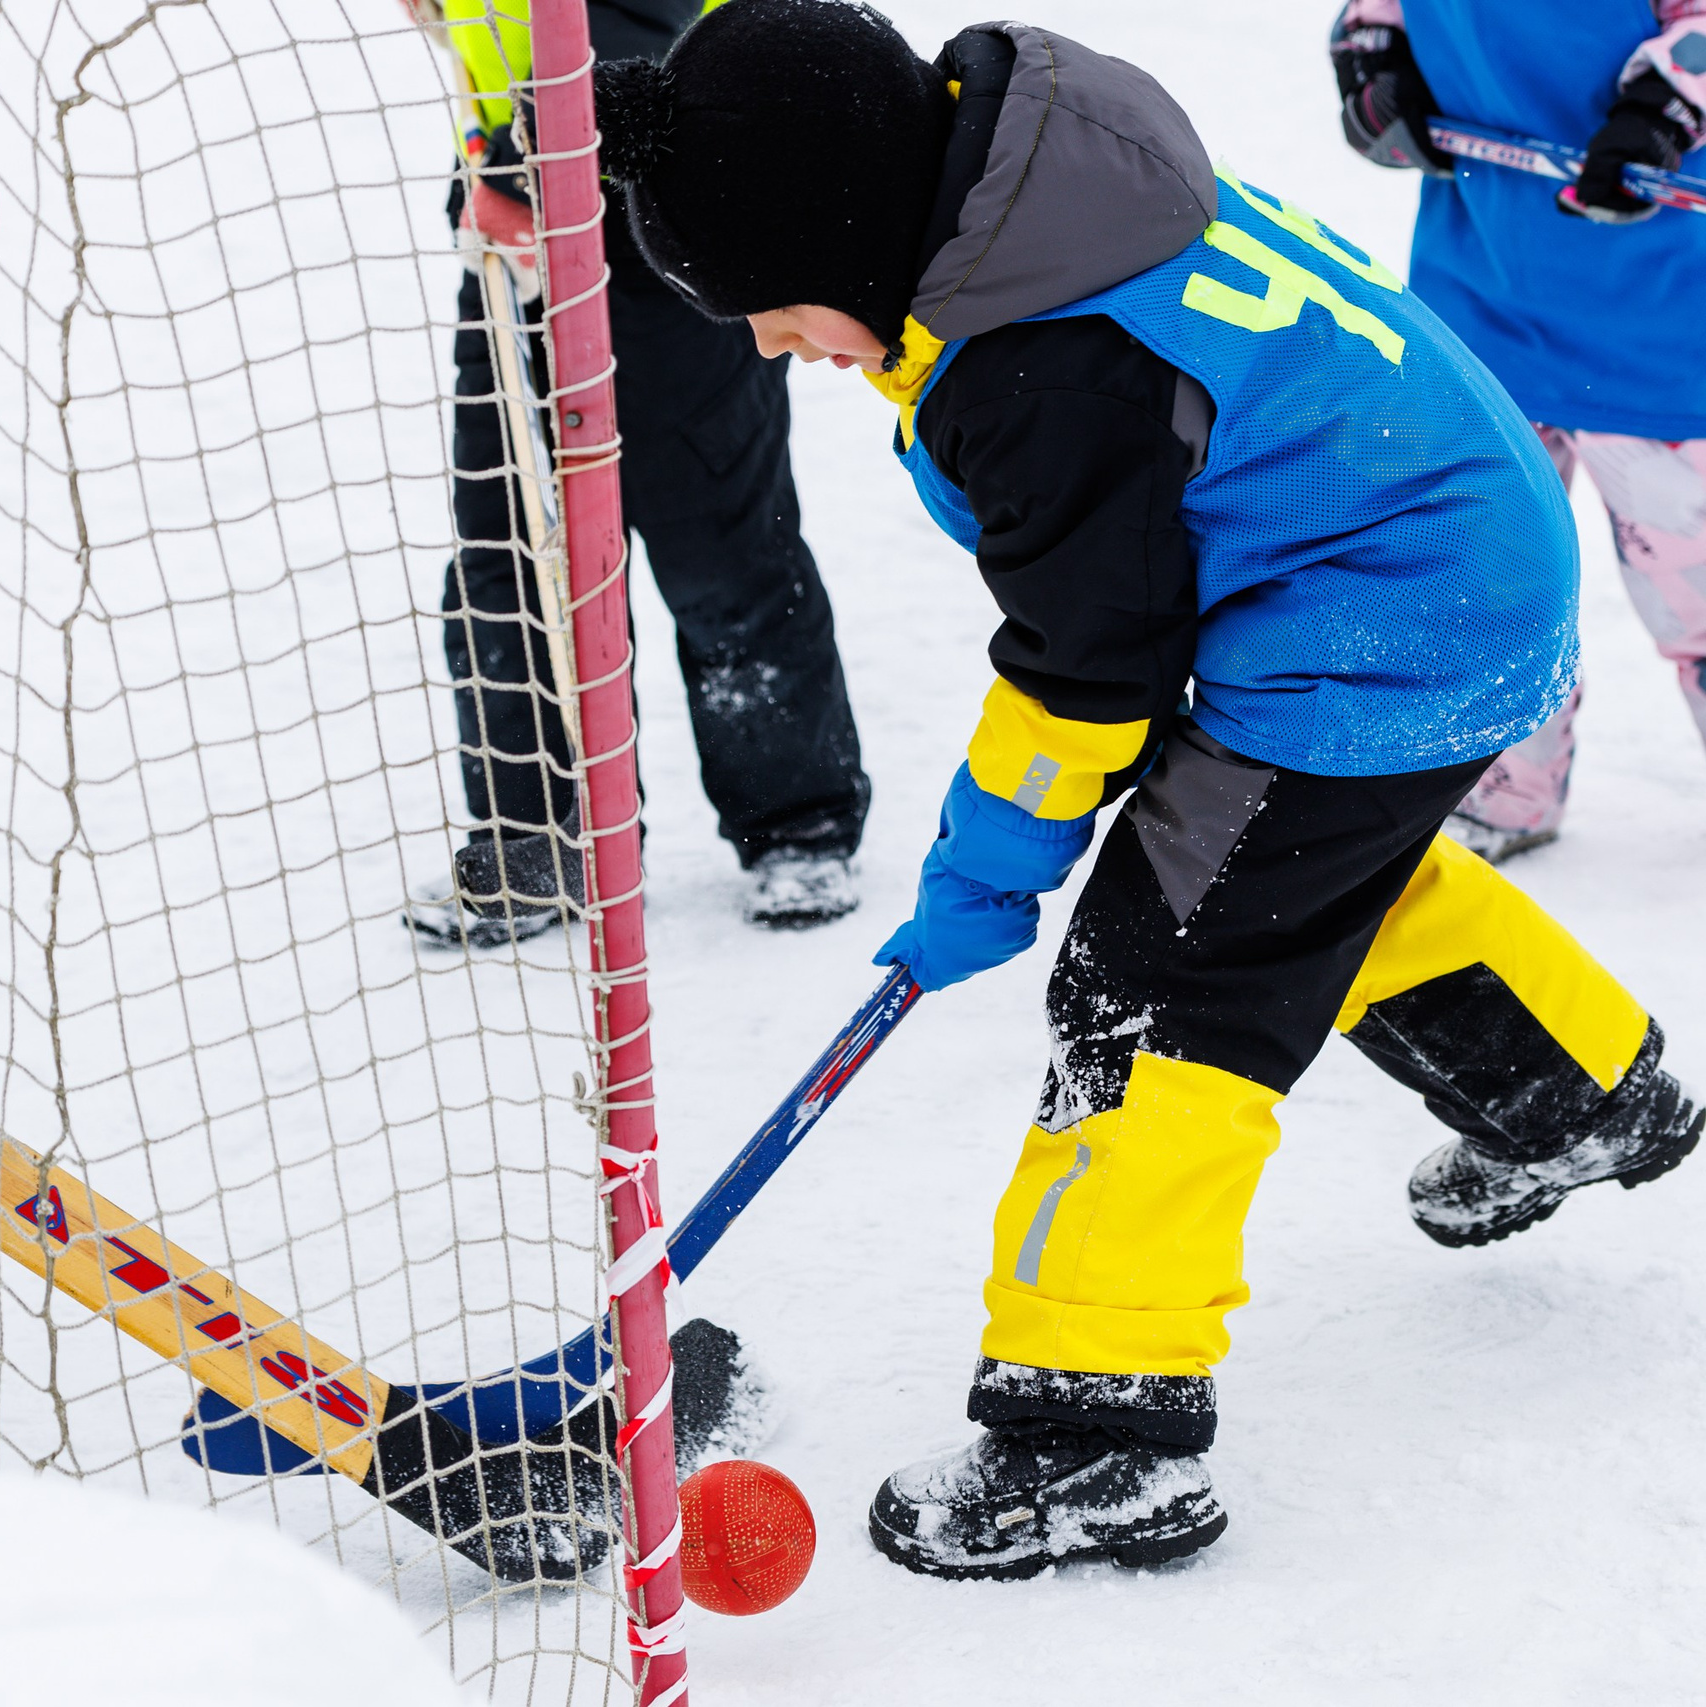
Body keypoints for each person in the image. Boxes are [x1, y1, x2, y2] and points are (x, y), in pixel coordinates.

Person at [592, 2, 1700, 1578]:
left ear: (842, 235)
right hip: (1449, 563)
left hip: (1377, 624)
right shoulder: (1036, 189)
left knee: (1158, 989)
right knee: (1308, 881)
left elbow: (1088, 671)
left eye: (770, 309)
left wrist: (987, 868)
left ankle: (1093, 1428)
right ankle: (1580, 1091)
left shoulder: (1045, 366)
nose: (774, 347)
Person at [404, 0, 871, 947]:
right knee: (509, 550)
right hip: (519, 224)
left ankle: (797, 823)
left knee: (719, 544)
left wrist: (524, 170)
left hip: (676, 204)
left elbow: (647, 31)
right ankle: (538, 840)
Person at [1332, 1, 1706, 862]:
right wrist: (1374, 62)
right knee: (1485, 580)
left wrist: (1666, 108)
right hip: (1484, 290)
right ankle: (1506, 789)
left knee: (1696, 588)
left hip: (1658, 316)